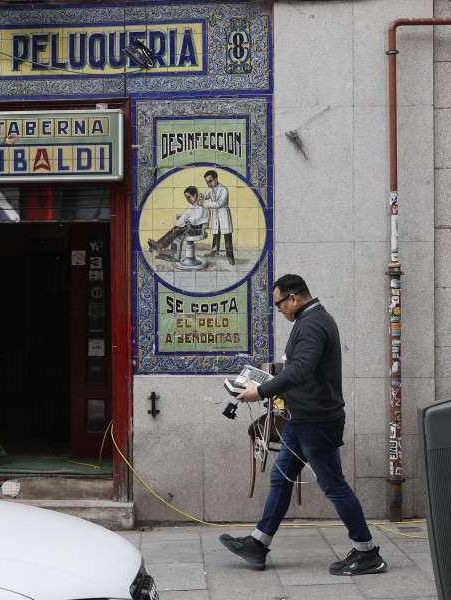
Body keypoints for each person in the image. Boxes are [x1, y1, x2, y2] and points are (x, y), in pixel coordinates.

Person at [219, 274, 387, 576]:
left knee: (333, 485)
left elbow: (302, 369)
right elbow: (301, 371)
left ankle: (367, 553)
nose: (279, 310)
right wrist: (268, 382)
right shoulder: (311, 320)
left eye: (279, 304)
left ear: (293, 298)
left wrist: (261, 390)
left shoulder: (311, 324)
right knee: (281, 479)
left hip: (317, 421)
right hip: (302, 419)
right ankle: (258, 544)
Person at [147, 186, 210, 254]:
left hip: (197, 230)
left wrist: (186, 220)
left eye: (189, 197)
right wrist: (179, 223)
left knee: (178, 230)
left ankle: (161, 246)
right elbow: (185, 214)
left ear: (195, 196)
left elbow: (196, 219)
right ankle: (158, 243)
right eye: (186, 198)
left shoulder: (201, 205)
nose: (187, 200)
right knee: (174, 228)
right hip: (189, 227)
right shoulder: (193, 205)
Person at [201, 170, 235, 266]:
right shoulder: (210, 189)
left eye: (210, 181)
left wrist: (204, 204)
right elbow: (206, 195)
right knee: (216, 234)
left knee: (227, 236)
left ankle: (230, 256)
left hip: (224, 214)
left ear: (216, 179)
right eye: (207, 182)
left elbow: (219, 203)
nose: (209, 184)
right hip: (216, 215)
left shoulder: (224, 189)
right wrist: (201, 196)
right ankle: (214, 251)